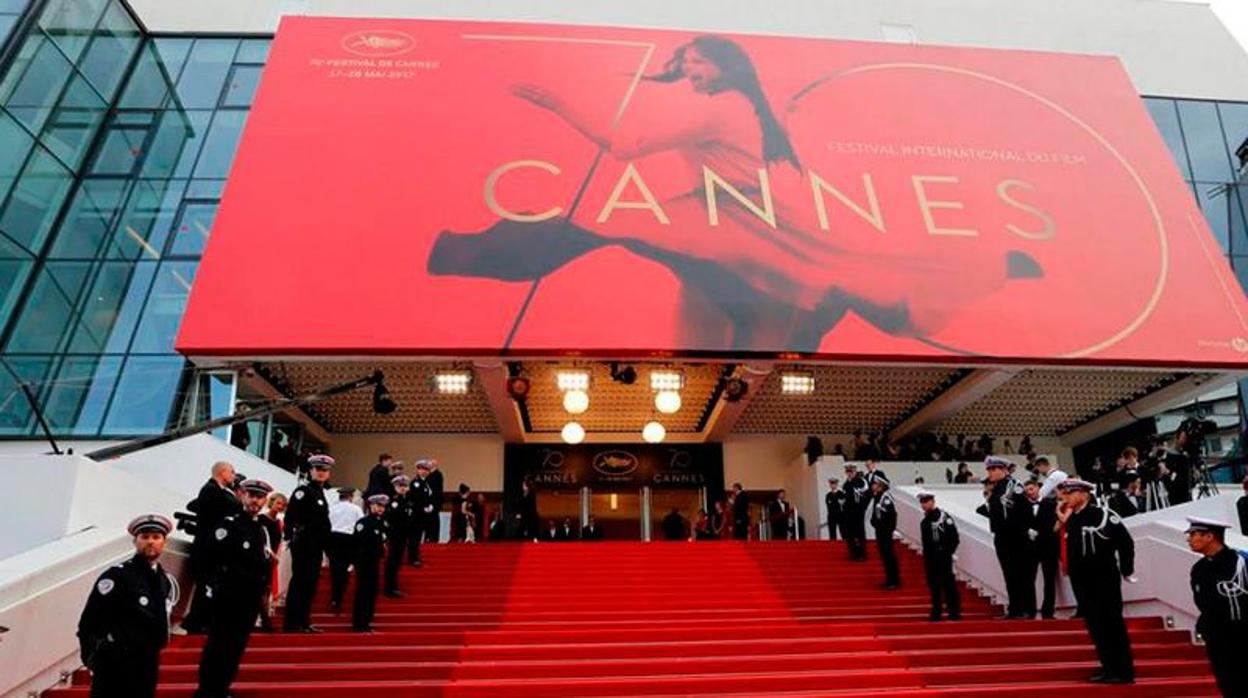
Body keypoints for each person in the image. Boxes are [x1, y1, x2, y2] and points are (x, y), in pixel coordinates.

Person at [77, 514, 176, 698]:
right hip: (115, 662)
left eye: (156, 537)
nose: (150, 542)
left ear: (165, 542)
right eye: (145, 537)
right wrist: (93, 659)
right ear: (135, 541)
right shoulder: (117, 576)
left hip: (147, 663)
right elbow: (89, 622)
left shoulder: (163, 581)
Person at [195, 479, 272, 698]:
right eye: (252, 495)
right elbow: (209, 558)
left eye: (260, 497)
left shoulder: (259, 529)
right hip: (228, 596)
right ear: (242, 496)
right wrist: (213, 589)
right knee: (219, 645)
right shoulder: (229, 525)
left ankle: (222, 687)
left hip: (248, 599)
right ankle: (208, 690)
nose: (255, 500)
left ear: (265, 501)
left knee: (235, 647)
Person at [1056, 478, 1136, 684]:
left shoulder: (1103, 515)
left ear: (1084, 493)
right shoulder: (1073, 519)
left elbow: (1125, 543)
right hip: (1082, 581)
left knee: (1112, 624)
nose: (1067, 497)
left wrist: (1126, 569)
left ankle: (1123, 670)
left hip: (1104, 577)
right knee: (1096, 626)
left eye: (1071, 492)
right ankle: (1108, 667)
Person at [1185, 516, 1247, 698]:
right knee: (1227, 682)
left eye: (1193, 534)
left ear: (1210, 536)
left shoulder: (1241, 563)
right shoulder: (1199, 569)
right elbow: (1203, 603)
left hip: (1242, 634)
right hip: (1218, 638)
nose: (1189, 539)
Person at [182, 461, 241, 633]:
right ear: (222, 472)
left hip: (212, 549)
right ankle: (196, 622)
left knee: (209, 586)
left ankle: (201, 621)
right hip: (207, 549)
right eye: (231, 472)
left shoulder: (218, 491)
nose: (233, 475)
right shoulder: (211, 491)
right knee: (205, 587)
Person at [283, 455, 334, 633]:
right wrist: (289, 537)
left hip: (316, 544)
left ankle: (303, 621)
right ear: (311, 471)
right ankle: (292, 623)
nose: (321, 473)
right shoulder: (303, 491)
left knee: (310, 584)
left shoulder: (320, 493)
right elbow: (291, 516)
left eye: (325, 470)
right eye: (318, 469)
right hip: (305, 543)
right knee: (300, 582)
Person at [982, 456, 1030, 618]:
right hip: (1002, 536)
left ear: (1003, 470)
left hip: (1015, 536)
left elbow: (1025, 511)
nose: (990, 472)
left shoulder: (1014, 486)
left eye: (994, 469)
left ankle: (1023, 609)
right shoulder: (997, 488)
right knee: (1009, 574)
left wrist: (1019, 531)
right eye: (989, 469)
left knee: (1019, 573)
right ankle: (1015, 608)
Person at [1018, 479, 1059, 619]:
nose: (1030, 493)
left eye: (1031, 489)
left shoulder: (1051, 504)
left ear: (1037, 488)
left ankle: (1048, 611)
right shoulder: (1022, 506)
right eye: (1027, 490)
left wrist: (1041, 532)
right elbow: (1019, 525)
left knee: (1050, 580)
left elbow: (1055, 525)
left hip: (1049, 547)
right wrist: (1027, 532)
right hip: (1030, 549)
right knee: (1029, 580)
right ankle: (1030, 611)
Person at [917, 491, 960, 620]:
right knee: (934, 585)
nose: (923, 505)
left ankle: (954, 612)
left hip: (943, 556)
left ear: (932, 501)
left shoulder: (943, 517)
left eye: (926, 501)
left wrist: (946, 552)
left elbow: (954, 538)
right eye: (922, 502)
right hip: (930, 558)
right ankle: (937, 611)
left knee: (948, 585)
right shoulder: (925, 521)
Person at [353, 494, 390, 632]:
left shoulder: (381, 523)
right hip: (364, 561)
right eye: (378, 505)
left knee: (371, 592)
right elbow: (358, 543)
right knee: (363, 591)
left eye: (383, 506)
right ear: (370, 505)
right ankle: (359, 623)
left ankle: (366, 621)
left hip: (374, 561)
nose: (381, 509)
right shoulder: (364, 522)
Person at [326, 487, 362, 612]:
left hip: (333, 538)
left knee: (334, 568)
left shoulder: (331, 508)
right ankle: (338, 597)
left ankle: (334, 597)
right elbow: (360, 525)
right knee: (345, 569)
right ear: (351, 496)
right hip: (348, 540)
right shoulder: (356, 509)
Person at [257, 492, 286, 632]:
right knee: (261, 590)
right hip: (261, 557)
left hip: (271, 560)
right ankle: (265, 621)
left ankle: (264, 620)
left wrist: (276, 557)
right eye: (278, 503)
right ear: (271, 502)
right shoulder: (261, 519)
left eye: (283, 504)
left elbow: (279, 542)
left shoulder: (280, 523)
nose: (280, 506)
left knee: (266, 590)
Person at [384, 475, 414, 597]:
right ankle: (390, 588)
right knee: (393, 561)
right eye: (400, 486)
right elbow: (392, 519)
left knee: (396, 562)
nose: (403, 488)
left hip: (402, 535)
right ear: (395, 487)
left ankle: (393, 586)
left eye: (405, 486)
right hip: (395, 535)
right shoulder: (394, 501)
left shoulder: (406, 500)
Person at [869, 477, 899, 589]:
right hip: (880, 531)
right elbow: (876, 515)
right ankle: (889, 579)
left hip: (885, 532)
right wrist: (874, 522)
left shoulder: (886, 499)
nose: (873, 485)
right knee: (884, 556)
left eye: (875, 483)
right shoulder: (877, 497)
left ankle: (894, 580)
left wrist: (889, 530)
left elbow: (892, 516)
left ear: (881, 485)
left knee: (889, 556)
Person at [841, 463, 869, 560]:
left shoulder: (861, 482)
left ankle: (862, 554)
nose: (849, 473)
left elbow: (866, 495)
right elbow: (844, 499)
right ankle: (853, 554)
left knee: (859, 532)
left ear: (855, 471)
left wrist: (863, 507)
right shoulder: (845, 485)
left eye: (851, 471)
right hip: (848, 513)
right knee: (850, 534)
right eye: (848, 471)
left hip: (858, 511)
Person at [409, 462, 434, 564]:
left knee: (419, 536)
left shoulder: (425, 483)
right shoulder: (416, 483)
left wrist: (430, 505)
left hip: (423, 514)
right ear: (418, 470)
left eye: (426, 470)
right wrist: (424, 507)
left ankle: (415, 556)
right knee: (414, 536)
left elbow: (428, 496)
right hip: (417, 514)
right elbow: (416, 498)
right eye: (421, 469)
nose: (424, 471)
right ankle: (413, 558)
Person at [424, 459, 445, 543]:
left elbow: (436, 490)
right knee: (428, 520)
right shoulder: (429, 475)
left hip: (435, 502)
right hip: (429, 501)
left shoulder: (438, 475)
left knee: (434, 520)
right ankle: (428, 536)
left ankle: (434, 538)